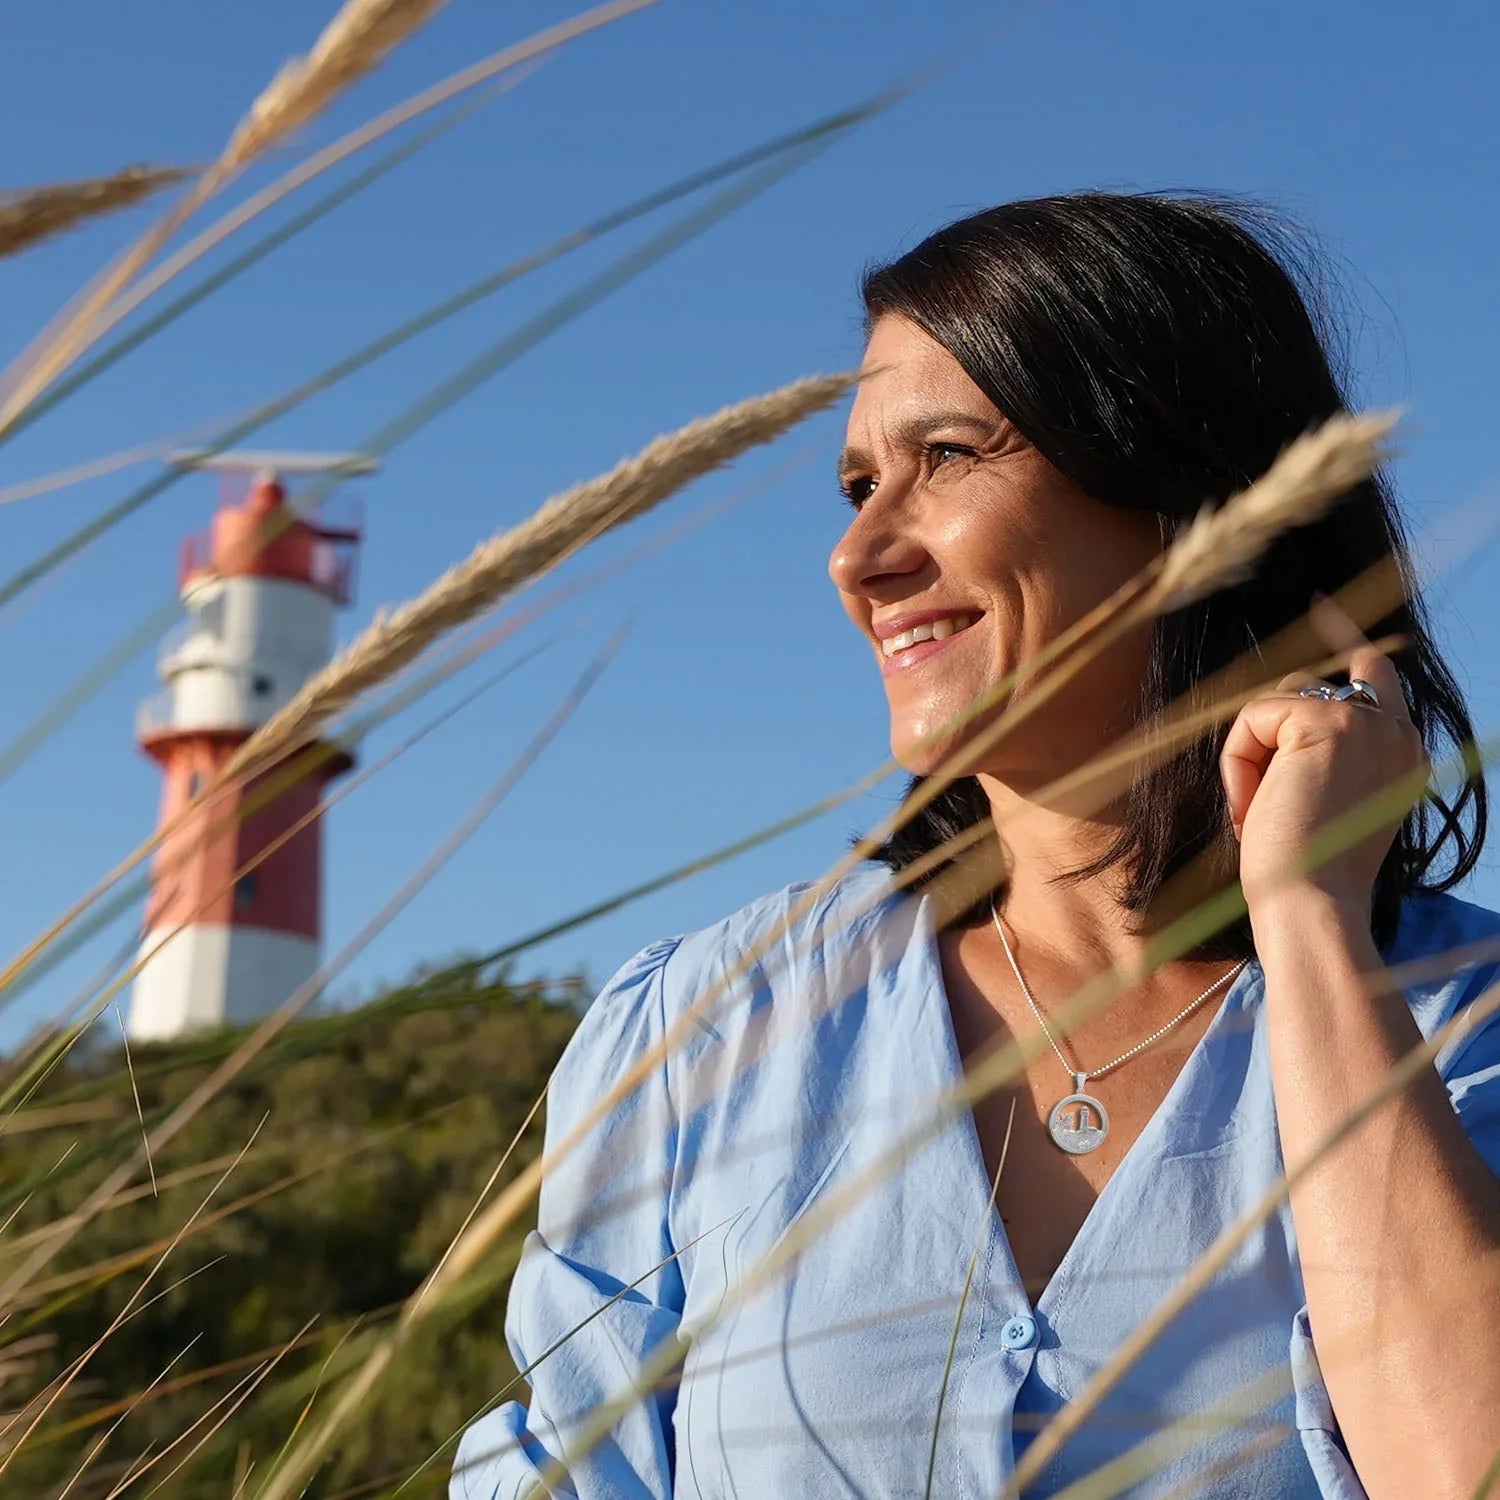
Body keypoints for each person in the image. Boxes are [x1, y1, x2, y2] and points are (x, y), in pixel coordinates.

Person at [451, 193, 1500, 1499]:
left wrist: (1312, 925)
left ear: (1181, 487)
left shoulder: (1469, 1024)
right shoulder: (707, 1029)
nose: (857, 556)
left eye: (945, 455)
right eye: (857, 485)